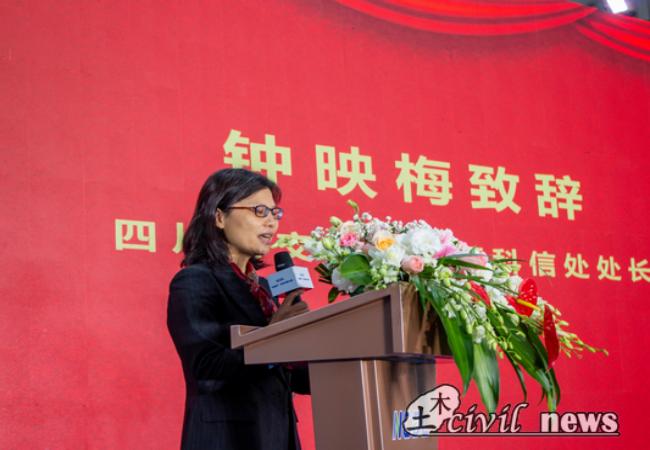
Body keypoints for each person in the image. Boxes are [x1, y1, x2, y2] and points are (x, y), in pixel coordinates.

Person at [167, 168, 310, 450]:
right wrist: (275, 334)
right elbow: (207, 365)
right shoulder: (195, 281)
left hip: (277, 437)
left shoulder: (263, 288)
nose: (271, 222)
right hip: (227, 438)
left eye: (275, 213)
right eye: (259, 211)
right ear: (219, 217)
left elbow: (292, 377)